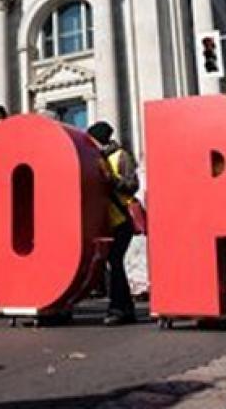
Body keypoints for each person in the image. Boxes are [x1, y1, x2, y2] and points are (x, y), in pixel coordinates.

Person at [88, 121, 138, 325]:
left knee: (115, 262)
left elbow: (132, 185)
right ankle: (125, 308)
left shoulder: (120, 156)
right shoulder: (97, 158)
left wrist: (111, 180)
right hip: (109, 220)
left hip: (122, 218)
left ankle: (119, 308)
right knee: (114, 263)